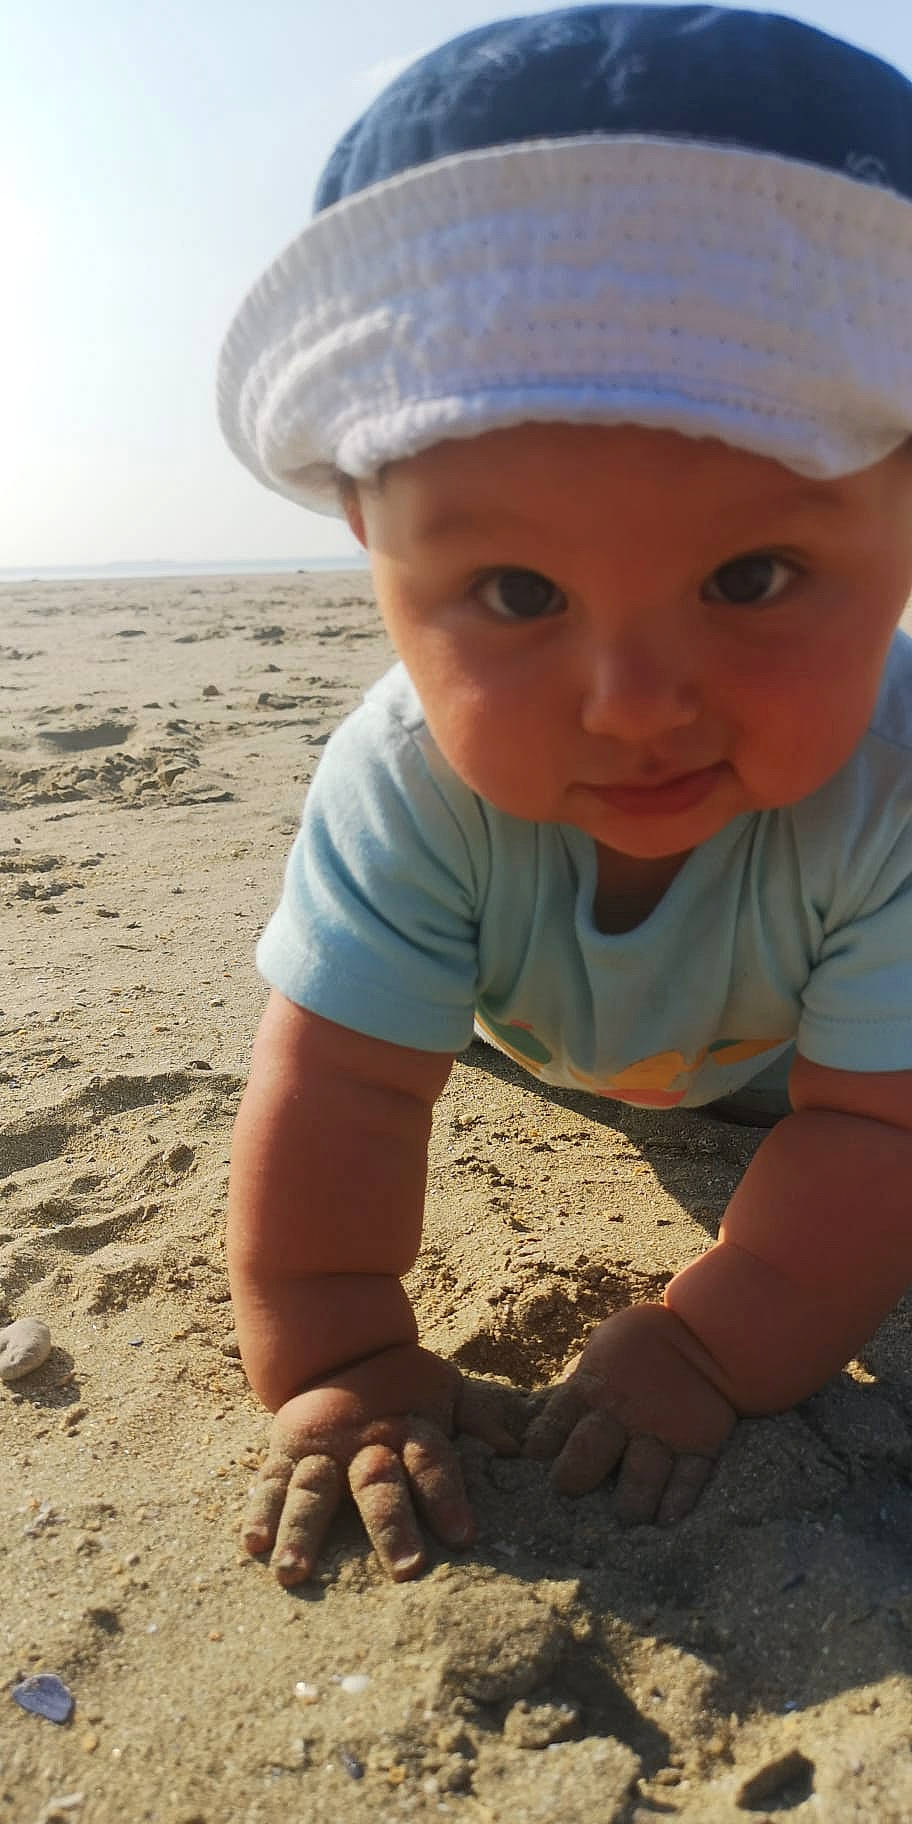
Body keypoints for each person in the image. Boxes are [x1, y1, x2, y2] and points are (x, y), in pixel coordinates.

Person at [217, 4, 912, 1585]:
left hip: (804, 1057)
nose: (636, 708)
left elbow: (876, 1135)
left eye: (751, 573)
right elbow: (344, 1089)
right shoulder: (407, 783)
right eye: (518, 593)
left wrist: (714, 1346)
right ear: (370, 548)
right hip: (506, 1009)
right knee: (381, 1020)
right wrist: (341, 1352)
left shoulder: (894, 793)